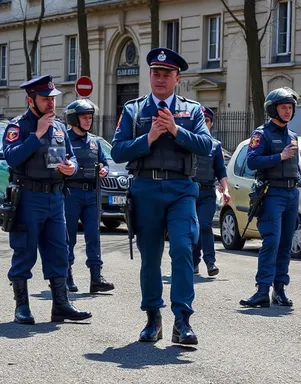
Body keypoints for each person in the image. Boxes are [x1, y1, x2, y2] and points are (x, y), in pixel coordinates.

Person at [111, 47, 212, 345]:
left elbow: (206, 145)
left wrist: (176, 131)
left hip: (181, 189)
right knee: (151, 257)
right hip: (146, 190)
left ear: (177, 78)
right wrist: (149, 138)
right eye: (155, 73)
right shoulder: (134, 110)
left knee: (182, 248)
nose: (160, 79)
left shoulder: (192, 110)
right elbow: (117, 150)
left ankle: (182, 320)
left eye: (166, 74)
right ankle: (153, 318)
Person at [2, 74, 92, 325]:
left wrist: (71, 168)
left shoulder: (61, 127)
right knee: (25, 250)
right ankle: (22, 306)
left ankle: (61, 305)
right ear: (31, 100)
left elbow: (72, 157)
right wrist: (37, 134)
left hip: (55, 197)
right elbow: (12, 158)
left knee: (59, 251)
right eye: (45, 99)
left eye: (53, 99)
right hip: (28, 196)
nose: (51, 104)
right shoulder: (18, 126)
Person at [240, 87, 301, 309]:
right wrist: (280, 156)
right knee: (272, 242)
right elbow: (252, 161)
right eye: (284, 107)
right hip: (272, 192)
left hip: (291, 194)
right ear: (272, 109)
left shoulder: (293, 136)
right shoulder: (261, 134)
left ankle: (280, 290)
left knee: (286, 244)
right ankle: (261, 291)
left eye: (290, 107)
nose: (288, 111)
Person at [63, 99, 115, 294]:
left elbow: (105, 162)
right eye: (84, 117)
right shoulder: (65, 140)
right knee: (69, 237)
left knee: (94, 236)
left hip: (92, 194)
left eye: (90, 117)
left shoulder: (95, 141)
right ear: (74, 119)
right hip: (71, 193)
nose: (88, 121)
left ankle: (96, 277)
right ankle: (66, 276)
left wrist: (104, 169)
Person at [192, 105, 230, 276]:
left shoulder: (215, 146)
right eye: (200, 120)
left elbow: (221, 170)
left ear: (211, 124)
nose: (203, 123)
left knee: (205, 225)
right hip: (189, 192)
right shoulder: (188, 142)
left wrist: (226, 189)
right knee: (192, 228)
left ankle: (210, 262)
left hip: (207, 192)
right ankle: (193, 261)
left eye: (206, 121)